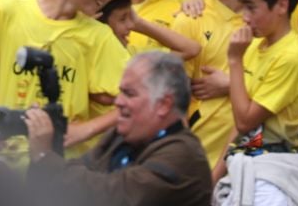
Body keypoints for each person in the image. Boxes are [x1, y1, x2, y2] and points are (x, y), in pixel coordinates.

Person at [25, 51, 212, 204]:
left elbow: (113, 195)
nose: (118, 102)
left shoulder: (184, 155)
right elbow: (69, 181)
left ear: (163, 104)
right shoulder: (121, 136)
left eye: (129, 94)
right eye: (120, 92)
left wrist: (44, 156)